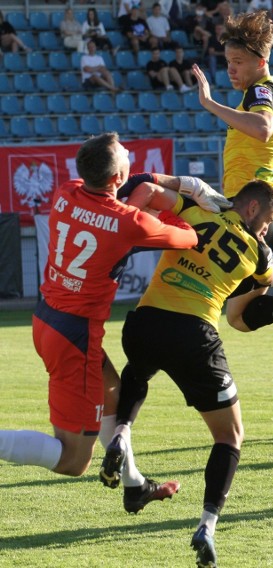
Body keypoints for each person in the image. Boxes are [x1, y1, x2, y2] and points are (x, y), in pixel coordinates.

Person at [0, 133, 201, 490]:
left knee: (113, 391)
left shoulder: (66, 192)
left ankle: (134, 483)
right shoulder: (129, 222)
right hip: (75, 334)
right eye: (125, 154)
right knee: (73, 460)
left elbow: (108, 209)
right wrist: (174, 204)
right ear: (118, 178)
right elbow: (189, 237)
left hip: (48, 318)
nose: (128, 156)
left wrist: (143, 197)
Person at [101, 180, 273, 568]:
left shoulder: (197, 211)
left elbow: (147, 188)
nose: (266, 230)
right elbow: (248, 312)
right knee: (230, 437)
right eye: (267, 221)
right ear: (252, 210)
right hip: (195, 334)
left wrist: (135, 232)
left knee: (138, 370)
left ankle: (120, 434)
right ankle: (207, 525)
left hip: (144, 322)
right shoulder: (261, 254)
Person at [190, 10, 273, 260]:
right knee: (251, 296)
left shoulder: (258, 93)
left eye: (238, 61)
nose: (230, 69)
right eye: (228, 61)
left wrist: (210, 103)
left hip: (248, 210)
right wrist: (266, 174)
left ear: (261, 62)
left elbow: (262, 128)